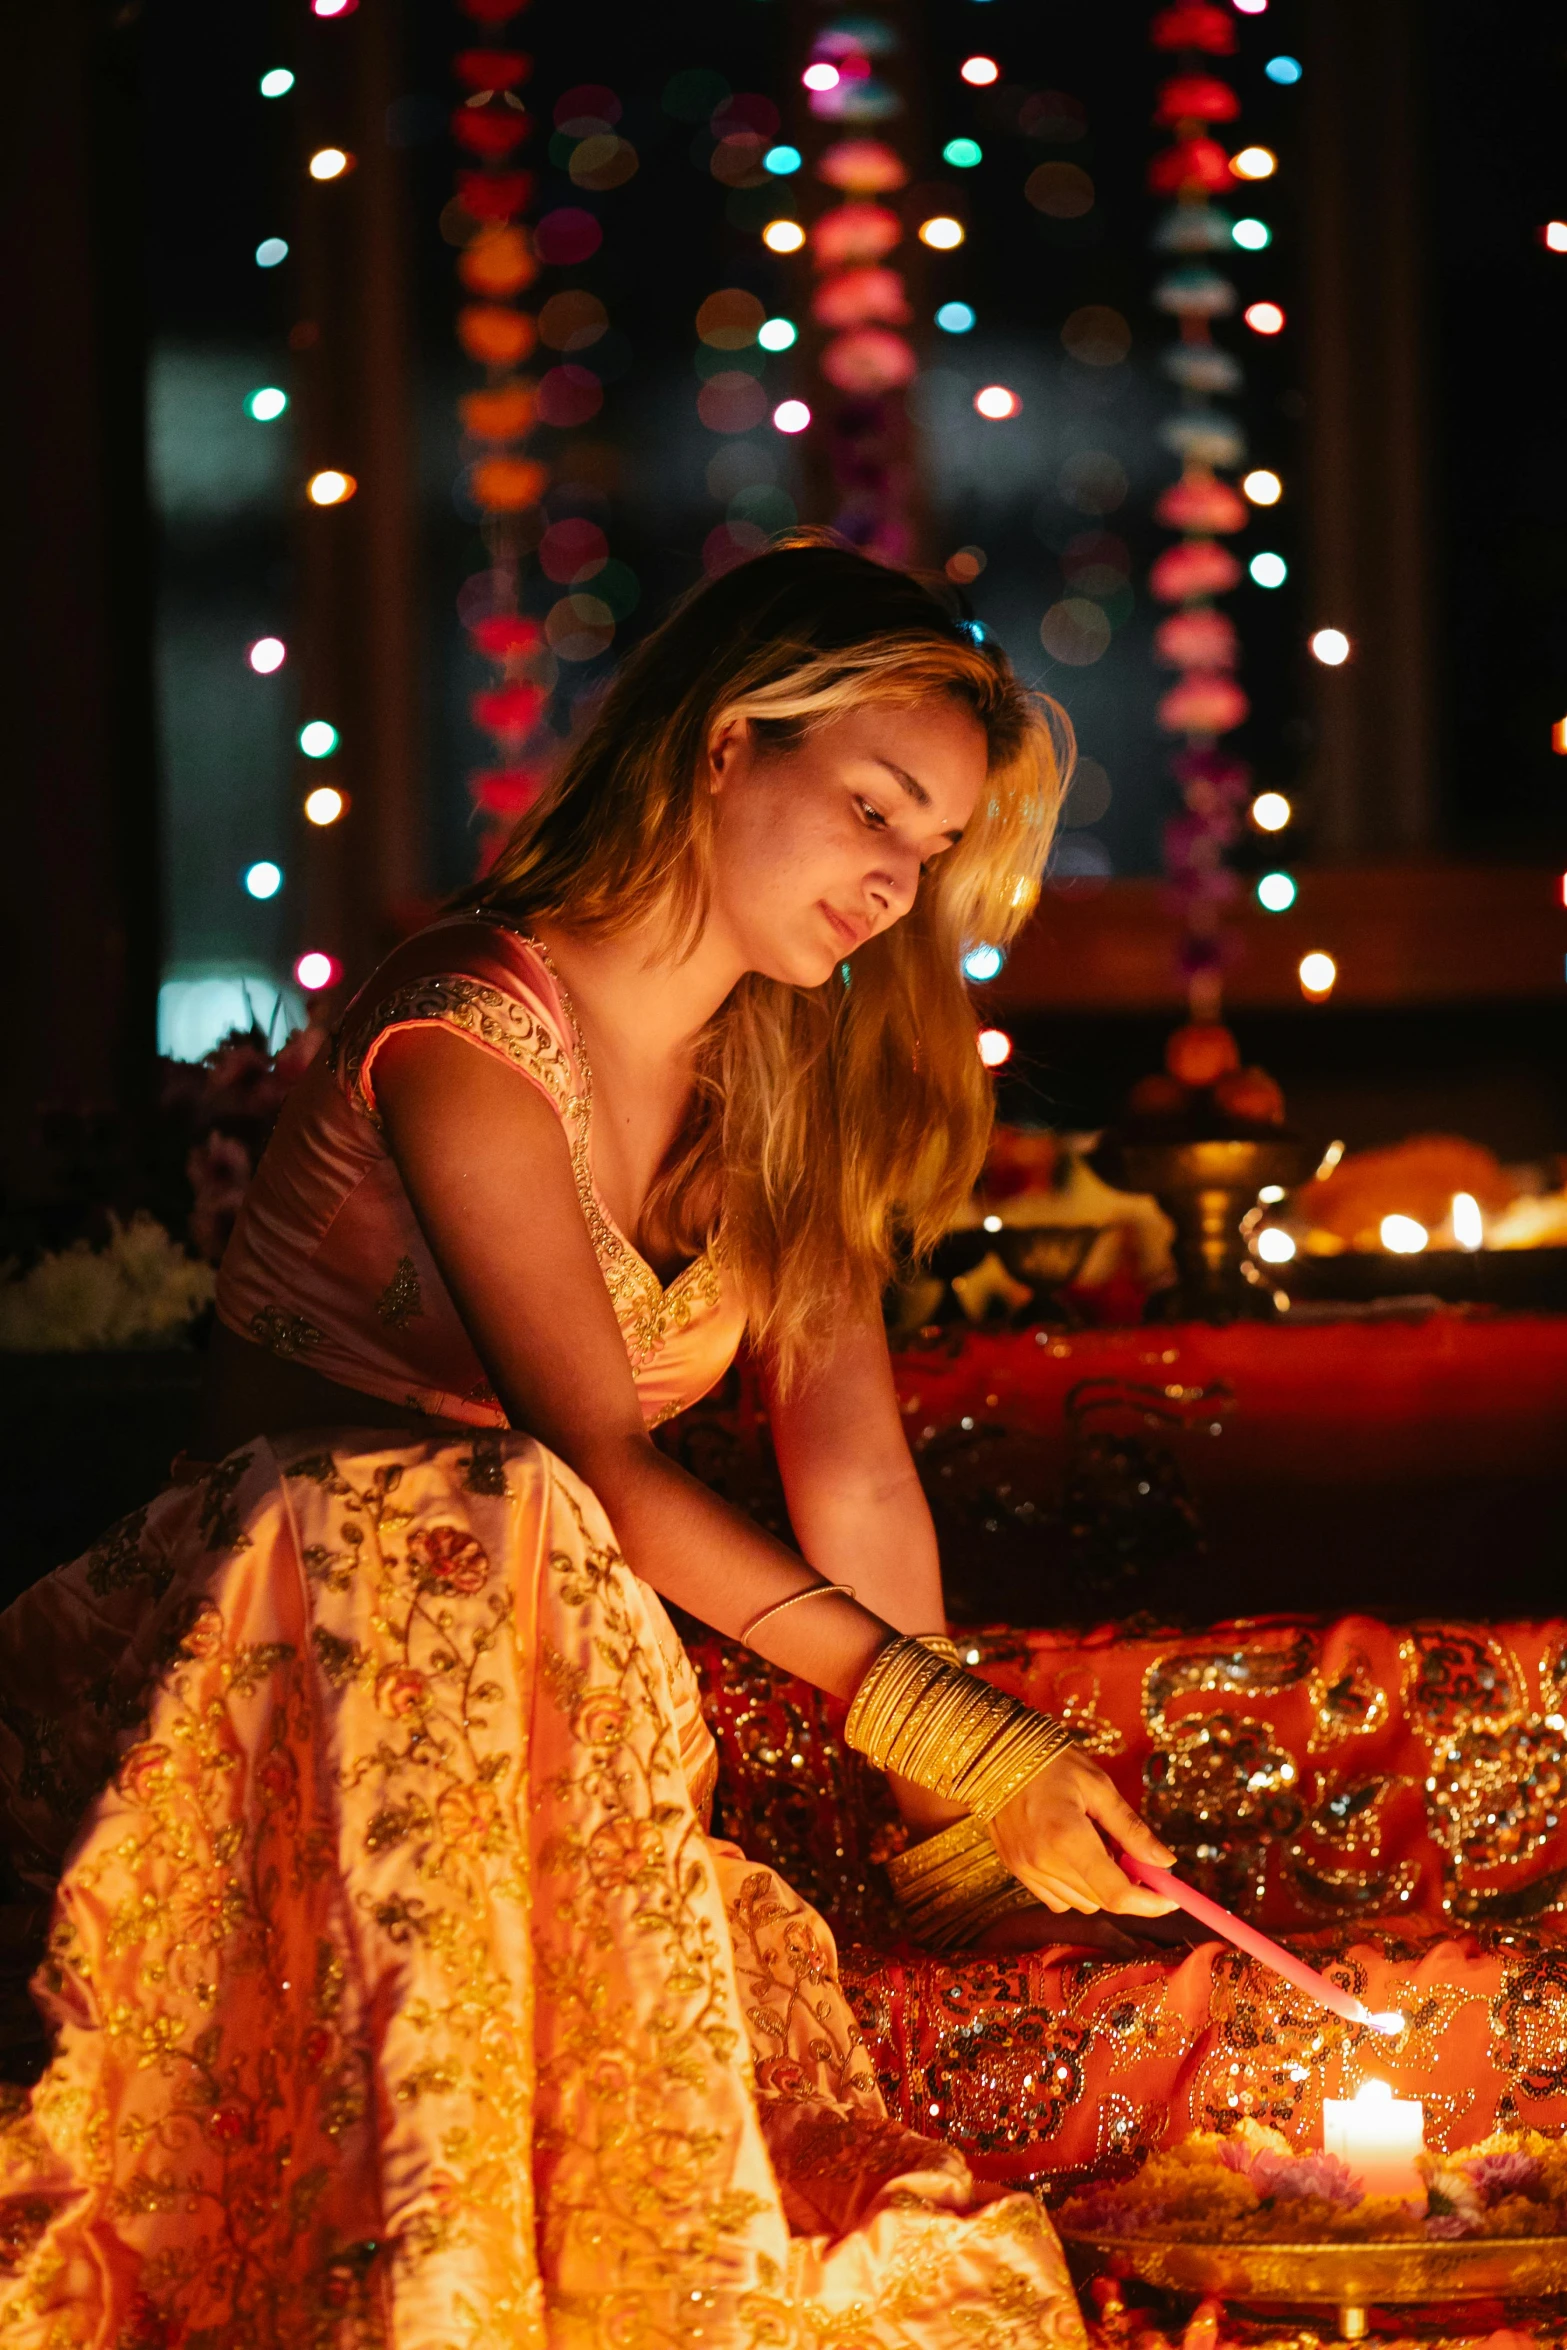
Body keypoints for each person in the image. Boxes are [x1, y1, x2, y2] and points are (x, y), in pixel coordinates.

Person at [0, 538, 1176, 2347]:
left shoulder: (785, 1080)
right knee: (464, 1505)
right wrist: (960, 1729)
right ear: (722, 746)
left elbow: (850, 1466)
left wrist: (960, 1812)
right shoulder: (469, 1022)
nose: (890, 874)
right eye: (869, 803)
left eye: (928, 845)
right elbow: (595, 1466)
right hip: (262, 1671)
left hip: (534, 1680)